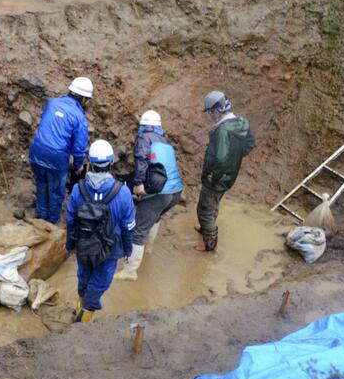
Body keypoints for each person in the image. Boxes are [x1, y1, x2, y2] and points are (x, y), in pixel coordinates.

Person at [66, 139, 135, 322]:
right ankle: (84, 319)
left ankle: (81, 308)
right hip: (110, 250)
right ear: (111, 162)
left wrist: (70, 245)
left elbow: (70, 221)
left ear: (89, 162)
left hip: (84, 246)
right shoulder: (123, 193)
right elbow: (128, 227)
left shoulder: (77, 190)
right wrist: (128, 250)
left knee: (83, 279)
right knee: (98, 286)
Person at [115, 110, 184, 281]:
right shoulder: (165, 142)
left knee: (138, 230)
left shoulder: (144, 138)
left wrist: (138, 184)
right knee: (154, 218)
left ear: (144, 127)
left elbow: (142, 159)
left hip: (160, 192)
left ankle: (130, 271)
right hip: (175, 192)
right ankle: (149, 248)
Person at [195, 91, 255, 252]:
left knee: (205, 208)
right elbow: (250, 144)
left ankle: (210, 243)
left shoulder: (222, 130)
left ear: (216, 110)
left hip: (218, 177)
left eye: (209, 112)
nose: (209, 116)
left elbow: (220, 159)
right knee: (214, 202)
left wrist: (214, 177)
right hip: (231, 174)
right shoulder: (242, 122)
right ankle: (207, 228)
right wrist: (234, 157)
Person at [28, 77, 92, 223]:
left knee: (41, 183)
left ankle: (40, 215)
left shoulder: (52, 103)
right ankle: (51, 223)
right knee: (56, 191)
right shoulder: (79, 117)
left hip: (37, 150)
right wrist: (78, 166)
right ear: (83, 98)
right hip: (56, 157)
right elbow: (79, 147)